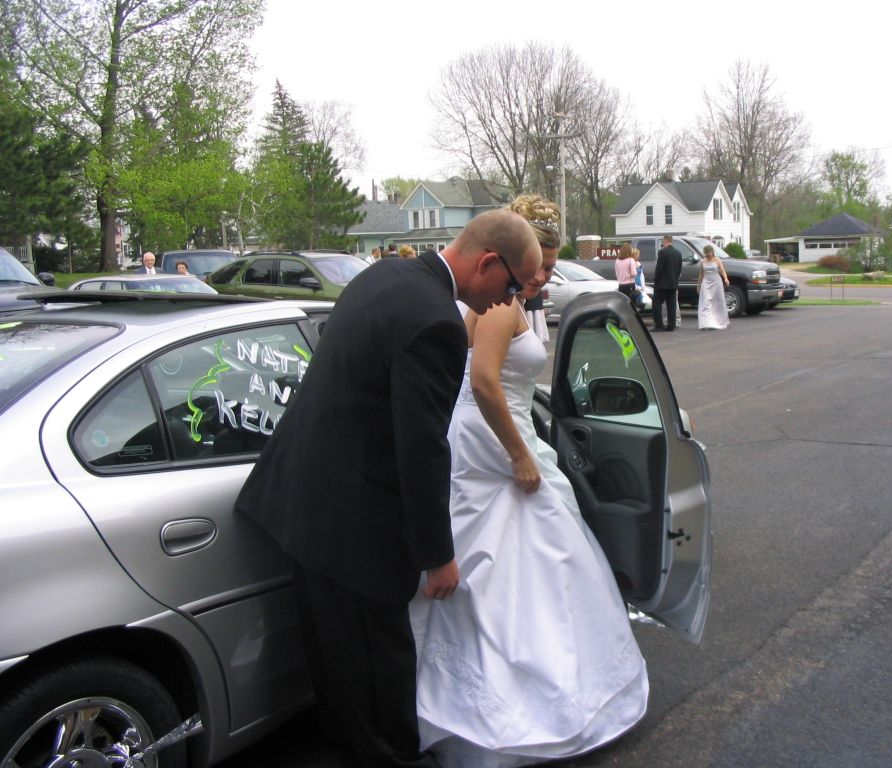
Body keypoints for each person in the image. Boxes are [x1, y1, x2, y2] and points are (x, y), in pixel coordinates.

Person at [235, 209, 542, 768]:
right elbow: (421, 448)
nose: (510, 299)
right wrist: (438, 556)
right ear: (487, 263)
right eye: (513, 284)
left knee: (336, 673)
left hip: (300, 503)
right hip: (354, 529)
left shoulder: (380, 278)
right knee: (379, 680)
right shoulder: (436, 324)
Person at [409, 196, 648, 768]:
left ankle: (551, 684)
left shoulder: (510, 299)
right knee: (508, 562)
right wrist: (519, 454)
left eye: (550, 262)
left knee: (530, 555)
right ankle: (508, 699)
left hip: (500, 429)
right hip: (493, 438)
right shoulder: (497, 308)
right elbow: (485, 382)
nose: (544, 273)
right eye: (541, 260)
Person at [509, 194, 559, 343]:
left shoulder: (516, 301)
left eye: (549, 268)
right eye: (534, 265)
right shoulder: (502, 307)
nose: (541, 277)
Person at [652, 235, 682, 331]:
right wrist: (675, 280)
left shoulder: (662, 252)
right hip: (673, 283)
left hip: (662, 284)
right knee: (671, 305)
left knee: (656, 303)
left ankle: (659, 325)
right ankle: (671, 325)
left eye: (662, 241)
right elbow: (679, 269)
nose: (662, 243)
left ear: (665, 240)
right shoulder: (678, 253)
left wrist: (656, 279)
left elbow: (659, 268)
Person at [697, 244, 730, 330]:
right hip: (706, 282)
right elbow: (701, 274)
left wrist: (726, 279)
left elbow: (722, 271)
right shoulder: (702, 262)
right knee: (706, 302)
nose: (708, 256)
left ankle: (717, 321)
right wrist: (698, 285)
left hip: (716, 282)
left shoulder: (717, 260)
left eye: (709, 254)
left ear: (712, 252)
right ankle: (706, 323)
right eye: (706, 254)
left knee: (717, 302)